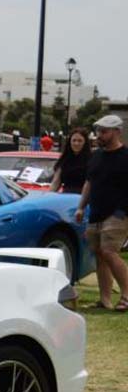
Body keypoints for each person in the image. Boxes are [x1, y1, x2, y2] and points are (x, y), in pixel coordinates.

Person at [75, 115, 128, 310]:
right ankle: (105, 300)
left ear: (117, 132)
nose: (99, 135)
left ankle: (126, 295)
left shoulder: (125, 157)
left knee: (109, 252)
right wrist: (81, 207)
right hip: (95, 212)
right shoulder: (96, 156)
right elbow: (89, 183)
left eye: (104, 132)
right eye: (98, 131)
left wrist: (122, 212)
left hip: (118, 213)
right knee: (99, 255)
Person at [50, 127, 90, 194]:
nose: (76, 143)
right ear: (70, 142)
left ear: (85, 142)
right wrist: (49, 196)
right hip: (66, 196)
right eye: (74, 140)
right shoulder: (64, 160)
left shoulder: (91, 160)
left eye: (80, 141)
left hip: (84, 196)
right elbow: (56, 182)